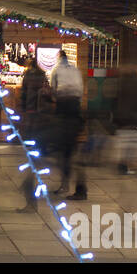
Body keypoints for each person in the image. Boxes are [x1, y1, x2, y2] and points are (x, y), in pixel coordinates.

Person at [50, 51, 86, 200]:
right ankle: (78, 188)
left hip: (64, 113)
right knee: (74, 154)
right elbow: (81, 90)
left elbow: (53, 88)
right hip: (76, 112)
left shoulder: (56, 70)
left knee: (65, 154)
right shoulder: (75, 69)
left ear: (58, 57)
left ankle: (66, 185)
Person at [18, 54, 52, 209]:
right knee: (37, 148)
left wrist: (23, 110)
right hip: (43, 117)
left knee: (31, 152)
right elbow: (49, 96)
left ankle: (30, 198)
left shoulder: (28, 77)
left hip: (32, 114)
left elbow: (24, 96)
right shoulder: (43, 76)